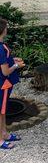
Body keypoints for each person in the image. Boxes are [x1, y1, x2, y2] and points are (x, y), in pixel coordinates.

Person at [0, 18, 25, 149]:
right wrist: (16, 65)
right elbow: (5, 72)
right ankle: (0, 139)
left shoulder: (2, 46)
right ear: (3, 30)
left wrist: (12, 60)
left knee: (3, 111)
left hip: (4, 85)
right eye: (6, 27)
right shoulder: (1, 49)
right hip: (3, 84)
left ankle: (4, 133)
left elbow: (3, 62)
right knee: (0, 111)